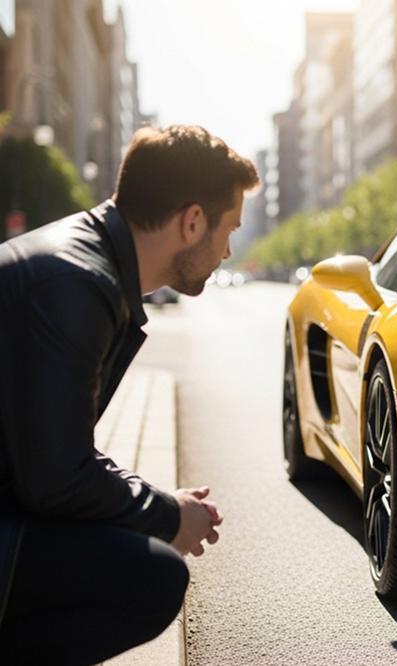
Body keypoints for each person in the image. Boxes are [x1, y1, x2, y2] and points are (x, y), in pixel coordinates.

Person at [0, 125, 259, 663]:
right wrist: (167, 515)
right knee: (152, 577)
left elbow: (60, 455)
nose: (229, 250)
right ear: (192, 222)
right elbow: (58, 479)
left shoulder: (86, 266)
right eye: (228, 229)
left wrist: (163, 504)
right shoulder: (76, 284)